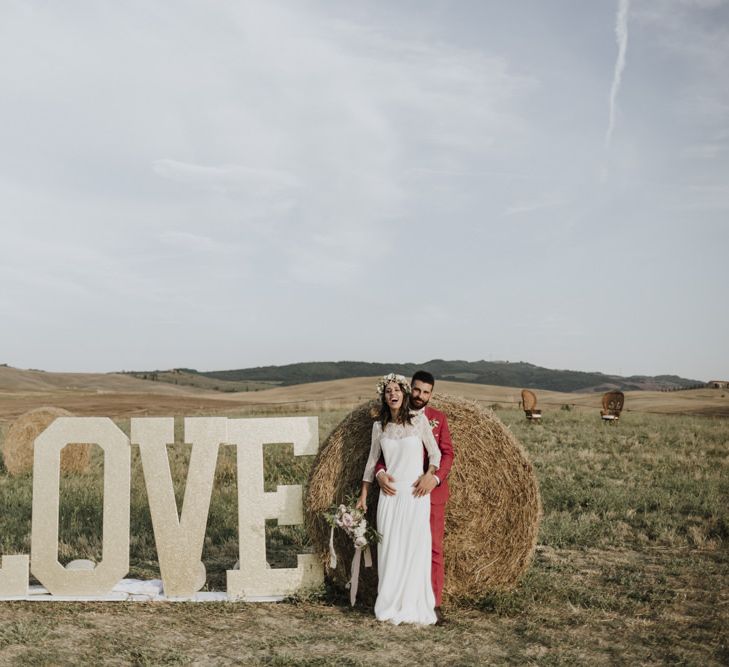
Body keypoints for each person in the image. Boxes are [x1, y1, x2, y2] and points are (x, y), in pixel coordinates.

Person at [357, 373, 442, 625]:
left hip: (416, 497)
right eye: (387, 391)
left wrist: (429, 475)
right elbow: (371, 464)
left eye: (397, 390)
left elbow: (436, 455)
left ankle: (413, 605)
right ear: (383, 397)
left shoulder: (420, 422)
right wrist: (363, 496)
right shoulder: (379, 427)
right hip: (389, 498)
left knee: (415, 551)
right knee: (390, 552)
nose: (392, 394)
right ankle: (390, 604)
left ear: (404, 394)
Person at [374, 370, 454, 624]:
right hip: (400, 494)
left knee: (431, 549)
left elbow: (446, 453)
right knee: (397, 546)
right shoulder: (387, 422)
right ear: (411, 389)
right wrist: (380, 474)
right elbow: (381, 458)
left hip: (430, 492)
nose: (420, 396)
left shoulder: (436, 419)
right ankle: (397, 598)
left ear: (431, 394)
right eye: (417, 390)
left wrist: (435, 477)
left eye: (426, 392)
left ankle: (433, 604)